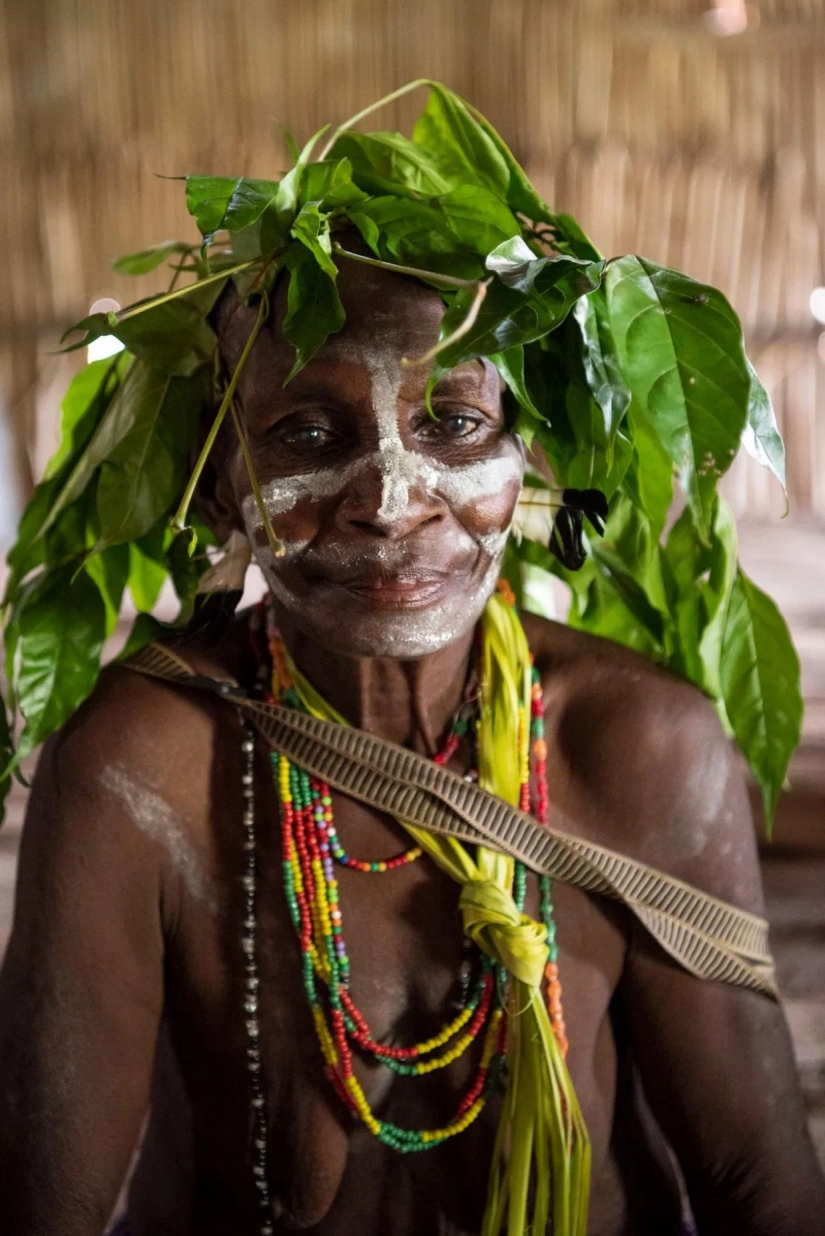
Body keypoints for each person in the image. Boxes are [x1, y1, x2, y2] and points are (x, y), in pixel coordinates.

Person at [1, 247, 824, 1236]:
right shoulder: (138, 771)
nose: (392, 502)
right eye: (308, 433)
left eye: (455, 422)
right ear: (219, 485)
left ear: (530, 461)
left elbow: (752, 1179)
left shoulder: (638, 746)